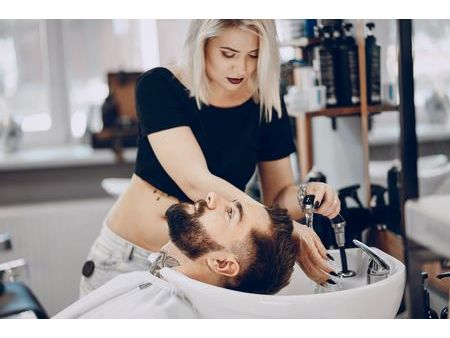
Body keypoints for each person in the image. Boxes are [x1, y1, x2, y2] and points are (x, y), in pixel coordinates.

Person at [79, 19, 341, 297]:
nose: (242, 68)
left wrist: (305, 195)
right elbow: (195, 181)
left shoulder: (266, 99)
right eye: (228, 54)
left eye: (253, 55)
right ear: (201, 43)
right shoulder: (159, 87)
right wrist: (287, 230)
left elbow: (277, 197)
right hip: (128, 259)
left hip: (203, 274)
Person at [56, 193, 298, 318]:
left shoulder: (158, 317)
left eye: (230, 213)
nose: (213, 196)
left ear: (222, 262)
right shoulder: (153, 293)